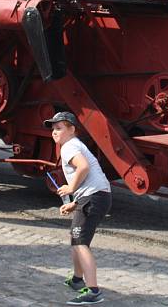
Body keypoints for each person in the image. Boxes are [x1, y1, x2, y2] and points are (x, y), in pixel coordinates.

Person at [45, 111, 112, 305]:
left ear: (72, 129)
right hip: (97, 195)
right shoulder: (75, 145)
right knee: (76, 237)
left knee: (80, 242)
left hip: (94, 196)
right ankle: (76, 279)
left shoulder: (69, 147)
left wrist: (70, 188)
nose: (54, 132)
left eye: (59, 128)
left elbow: (83, 167)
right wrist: (74, 202)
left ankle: (93, 291)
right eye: (53, 129)